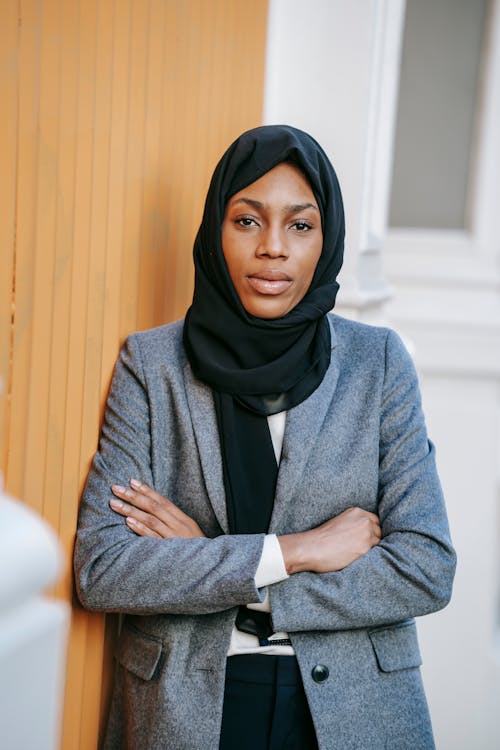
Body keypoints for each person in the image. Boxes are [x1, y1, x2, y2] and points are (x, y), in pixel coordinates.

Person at [74, 125, 456, 750]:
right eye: (248, 222)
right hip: (192, 702)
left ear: (326, 238)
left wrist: (225, 570)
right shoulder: (153, 366)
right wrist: (294, 550)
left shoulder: (377, 363)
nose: (273, 248)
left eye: (300, 226)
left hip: (354, 705)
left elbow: (424, 568)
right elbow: (106, 568)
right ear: (215, 231)